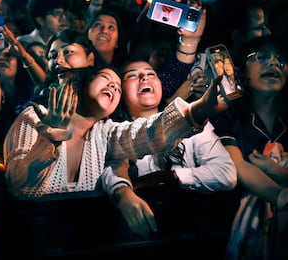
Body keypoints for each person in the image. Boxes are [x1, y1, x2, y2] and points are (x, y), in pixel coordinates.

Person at [3, 45, 227, 199]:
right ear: (83, 83)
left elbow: (151, 133)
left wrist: (200, 108)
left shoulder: (106, 133)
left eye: (118, 88)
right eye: (106, 79)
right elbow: (17, 185)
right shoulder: (34, 117)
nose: (113, 86)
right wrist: (47, 141)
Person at [101, 60, 237, 238]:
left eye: (151, 74)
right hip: (138, 236)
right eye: (132, 75)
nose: (144, 78)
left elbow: (226, 174)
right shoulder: (114, 133)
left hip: (188, 233)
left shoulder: (194, 125)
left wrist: (170, 177)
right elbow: (112, 170)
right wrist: (123, 192)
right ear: (120, 91)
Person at [209, 36, 288, 259]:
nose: (274, 63)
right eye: (262, 57)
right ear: (242, 71)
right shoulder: (226, 116)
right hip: (232, 225)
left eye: (282, 60)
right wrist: (282, 197)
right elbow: (238, 166)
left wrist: (273, 170)